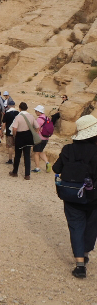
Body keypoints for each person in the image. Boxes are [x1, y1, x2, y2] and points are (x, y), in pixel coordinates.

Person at [52, 115, 97, 278]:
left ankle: (79, 265)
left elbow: (56, 168)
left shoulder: (68, 149)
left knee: (76, 227)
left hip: (71, 195)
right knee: (92, 226)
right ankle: (85, 253)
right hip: (93, 197)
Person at [9, 102, 39, 180]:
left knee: (17, 155)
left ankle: (15, 172)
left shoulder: (18, 117)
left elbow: (14, 128)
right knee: (27, 156)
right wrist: (35, 133)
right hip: (28, 137)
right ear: (27, 108)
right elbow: (37, 127)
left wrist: (15, 136)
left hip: (20, 136)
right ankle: (27, 174)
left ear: (19, 108)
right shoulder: (31, 116)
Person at [32, 105, 53, 173]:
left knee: (36, 153)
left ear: (39, 111)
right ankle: (47, 162)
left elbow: (37, 129)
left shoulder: (39, 119)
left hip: (39, 138)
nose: (35, 112)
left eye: (36, 111)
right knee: (40, 151)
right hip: (46, 138)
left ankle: (37, 168)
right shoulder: (47, 118)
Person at [2, 99, 19, 164]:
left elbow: (4, 124)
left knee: (10, 146)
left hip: (9, 132)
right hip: (17, 131)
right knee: (16, 146)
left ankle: (10, 159)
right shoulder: (18, 113)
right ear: (14, 106)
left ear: (8, 106)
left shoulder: (7, 113)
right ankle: (17, 158)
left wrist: (2, 131)